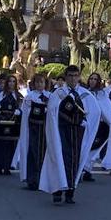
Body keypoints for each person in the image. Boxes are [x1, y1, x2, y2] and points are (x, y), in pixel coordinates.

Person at [40, 66, 98, 205]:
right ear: (65, 77)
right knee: (59, 159)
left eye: (76, 75)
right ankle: (57, 190)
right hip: (61, 132)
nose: (73, 78)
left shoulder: (85, 94)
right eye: (70, 75)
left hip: (78, 133)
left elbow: (95, 112)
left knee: (75, 160)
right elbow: (52, 113)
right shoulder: (58, 94)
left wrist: (86, 122)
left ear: (79, 77)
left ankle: (70, 191)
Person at [16, 73, 51, 190]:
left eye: (42, 82)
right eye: (37, 82)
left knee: (44, 154)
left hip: (46, 130)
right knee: (33, 153)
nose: (39, 85)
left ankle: (44, 180)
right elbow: (27, 112)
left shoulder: (50, 96)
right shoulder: (30, 97)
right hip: (33, 129)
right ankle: (32, 179)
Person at [0, 75, 22, 175]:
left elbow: (22, 108)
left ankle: (7, 166)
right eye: (10, 81)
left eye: (13, 82)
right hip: (1, 123)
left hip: (13, 124)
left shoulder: (18, 96)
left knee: (10, 145)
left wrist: (19, 112)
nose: (11, 84)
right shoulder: (1, 94)